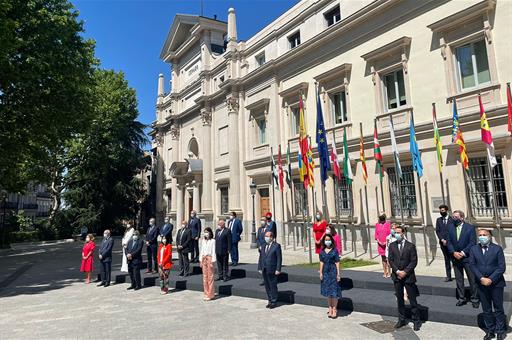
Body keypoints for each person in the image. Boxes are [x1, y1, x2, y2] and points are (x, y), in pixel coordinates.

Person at [469, 229, 507, 340]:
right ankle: (490, 330)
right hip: (481, 284)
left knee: (498, 308)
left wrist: (490, 279)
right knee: (486, 309)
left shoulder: (497, 249)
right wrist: (481, 278)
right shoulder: (473, 249)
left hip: (496, 284)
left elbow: (501, 267)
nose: (482, 237)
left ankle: (500, 330)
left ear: (490, 236)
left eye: (484, 235)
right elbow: (472, 265)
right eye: (480, 235)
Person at [388, 225, 421, 331]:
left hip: (408, 276)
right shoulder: (392, 245)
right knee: (400, 299)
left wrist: (405, 272)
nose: (396, 234)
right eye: (395, 232)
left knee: (412, 299)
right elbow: (391, 260)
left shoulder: (410, 246)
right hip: (397, 276)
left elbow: (414, 261)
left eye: (398, 232)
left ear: (403, 233)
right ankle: (401, 319)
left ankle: (416, 320)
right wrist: (397, 271)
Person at [447, 210, 479, 307]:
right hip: (456, 258)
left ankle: (474, 299)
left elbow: (472, 243)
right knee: (459, 279)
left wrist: (462, 253)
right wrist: (453, 252)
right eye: (453, 217)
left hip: (467, 258)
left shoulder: (470, 228)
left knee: (472, 279)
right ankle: (462, 298)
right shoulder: (450, 227)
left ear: (462, 217)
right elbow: (448, 241)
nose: (454, 219)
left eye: (456, 217)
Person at [319, 234, 342, 319]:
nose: (327, 241)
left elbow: (337, 262)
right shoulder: (322, 251)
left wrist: (338, 273)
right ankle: (330, 308)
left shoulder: (335, 250)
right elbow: (321, 262)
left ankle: (334, 309)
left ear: (331, 241)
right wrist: (321, 273)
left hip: (333, 272)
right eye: (326, 240)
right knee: (328, 292)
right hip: (326, 273)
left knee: (334, 292)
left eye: (329, 239)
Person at [258, 231, 282, 309]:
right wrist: (259, 267)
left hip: (272, 269)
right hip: (264, 269)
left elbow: (279, 258)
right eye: (265, 236)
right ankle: (269, 300)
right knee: (267, 286)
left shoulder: (276, 246)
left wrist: (278, 269)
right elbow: (261, 257)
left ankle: (274, 301)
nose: (266, 238)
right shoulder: (263, 246)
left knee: (273, 285)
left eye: (267, 236)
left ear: (271, 237)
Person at [435, 204, 453, 282]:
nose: (441, 212)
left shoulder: (451, 219)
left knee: (454, 260)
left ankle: (458, 275)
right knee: (446, 260)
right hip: (443, 243)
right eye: (440, 210)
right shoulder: (439, 220)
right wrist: (442, 239)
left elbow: (452, 232)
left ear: (446, 210)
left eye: (442, 210)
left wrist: (448, 241)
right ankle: (448, 276)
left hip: (451, 243)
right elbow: (438, 231)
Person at [200, 227, 217, 301]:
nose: (205, 233)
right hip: (204, 258)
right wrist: (200, 260)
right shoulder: (203, 241)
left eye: (207, 232)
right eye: (204, 232)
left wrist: (213, 261)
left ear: (210, 233)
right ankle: (206, 293)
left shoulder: (213, 241)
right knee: (205, 277)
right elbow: (201, 250)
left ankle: (211, 294)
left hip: (210, 258)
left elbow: (213, 251)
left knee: (210, 277)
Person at [375, 213, 391, 278]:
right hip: (380, 244)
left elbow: (390, 234)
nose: (382, 219)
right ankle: (384, 272)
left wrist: (386, 242)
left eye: (383, 218)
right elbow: (376, 235)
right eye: (380, 218)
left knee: (388, 258)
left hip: (387, 244)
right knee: (383, 259)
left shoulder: (388, 224)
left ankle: (389, 272)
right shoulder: (377, 225)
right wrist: (379, 241)